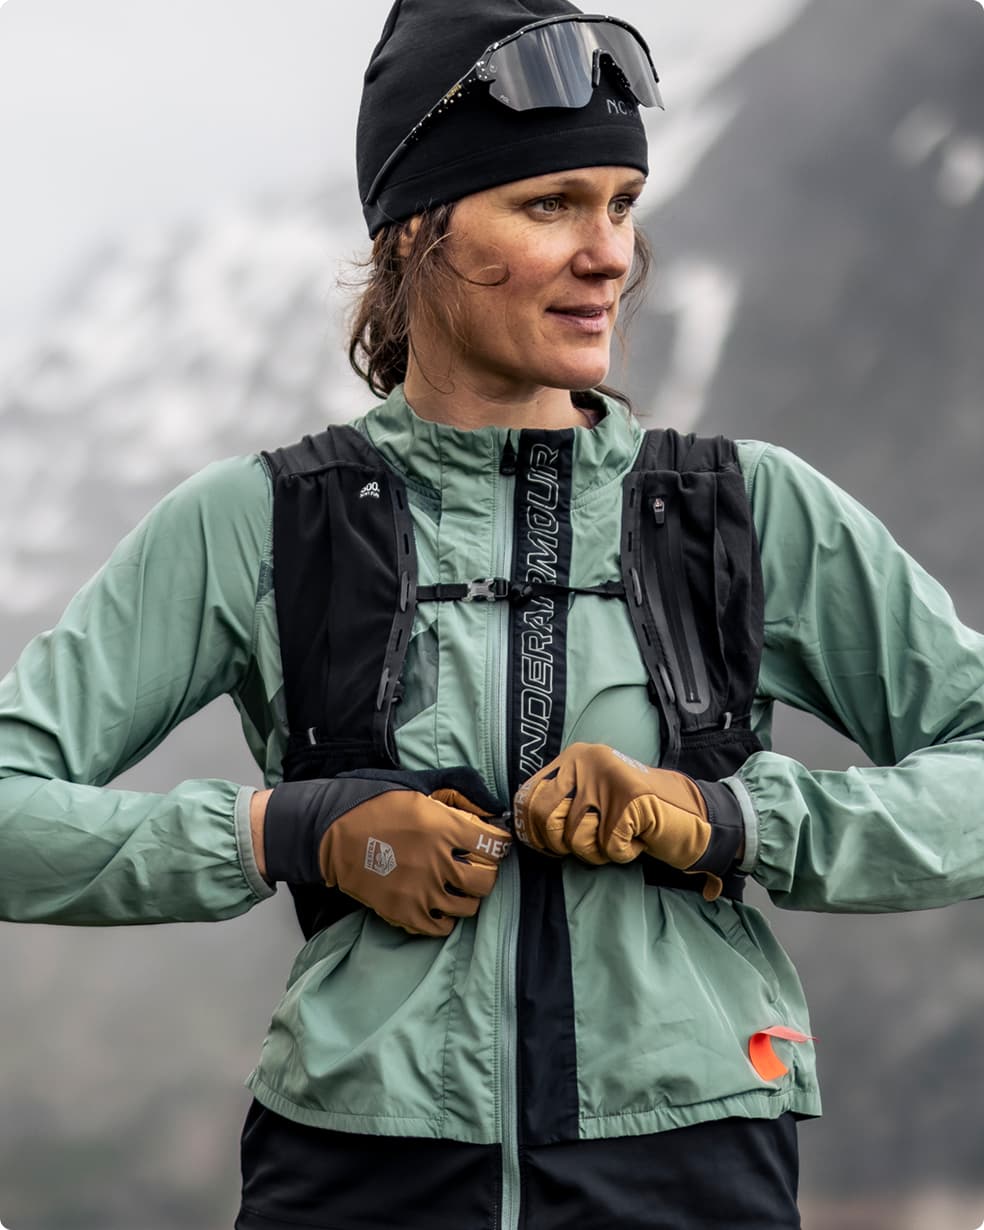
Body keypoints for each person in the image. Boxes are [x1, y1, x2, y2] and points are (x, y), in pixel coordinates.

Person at [2, 1, 984, 1228]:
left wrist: (722, 817)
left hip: (693, 1171)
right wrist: (294, 831)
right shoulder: (258, 521)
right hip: (357, 1175)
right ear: (414, 230)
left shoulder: (743, 508)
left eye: (621, 202)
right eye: (549, 203)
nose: (610, 253)